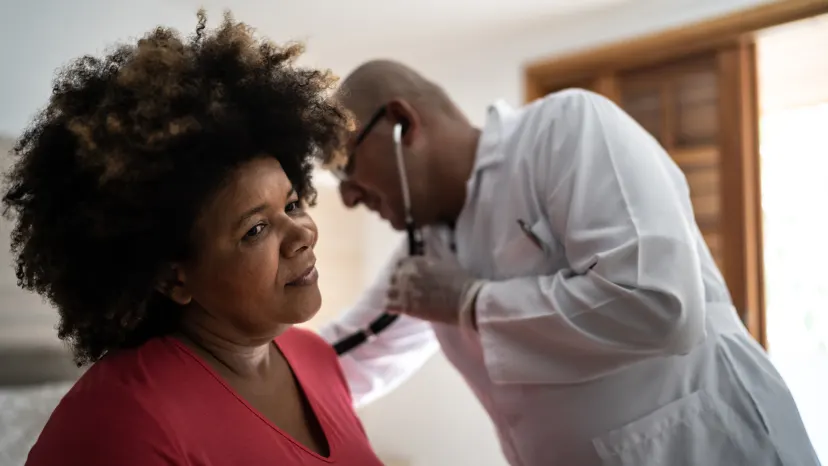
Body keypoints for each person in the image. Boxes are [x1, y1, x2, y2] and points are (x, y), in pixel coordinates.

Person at [317, 60, 820, 465]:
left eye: (346, 169)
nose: (349, 199)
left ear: (403, 123)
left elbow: (659, 305)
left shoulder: (565, 129)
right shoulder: (424, 248)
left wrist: (473, 301)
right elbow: (350, 357)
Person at [5, 12, 383, 466]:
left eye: (293, 204)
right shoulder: (119, 424)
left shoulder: (317, 358)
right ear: (172, 278)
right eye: (255, 229)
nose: (301, 234)